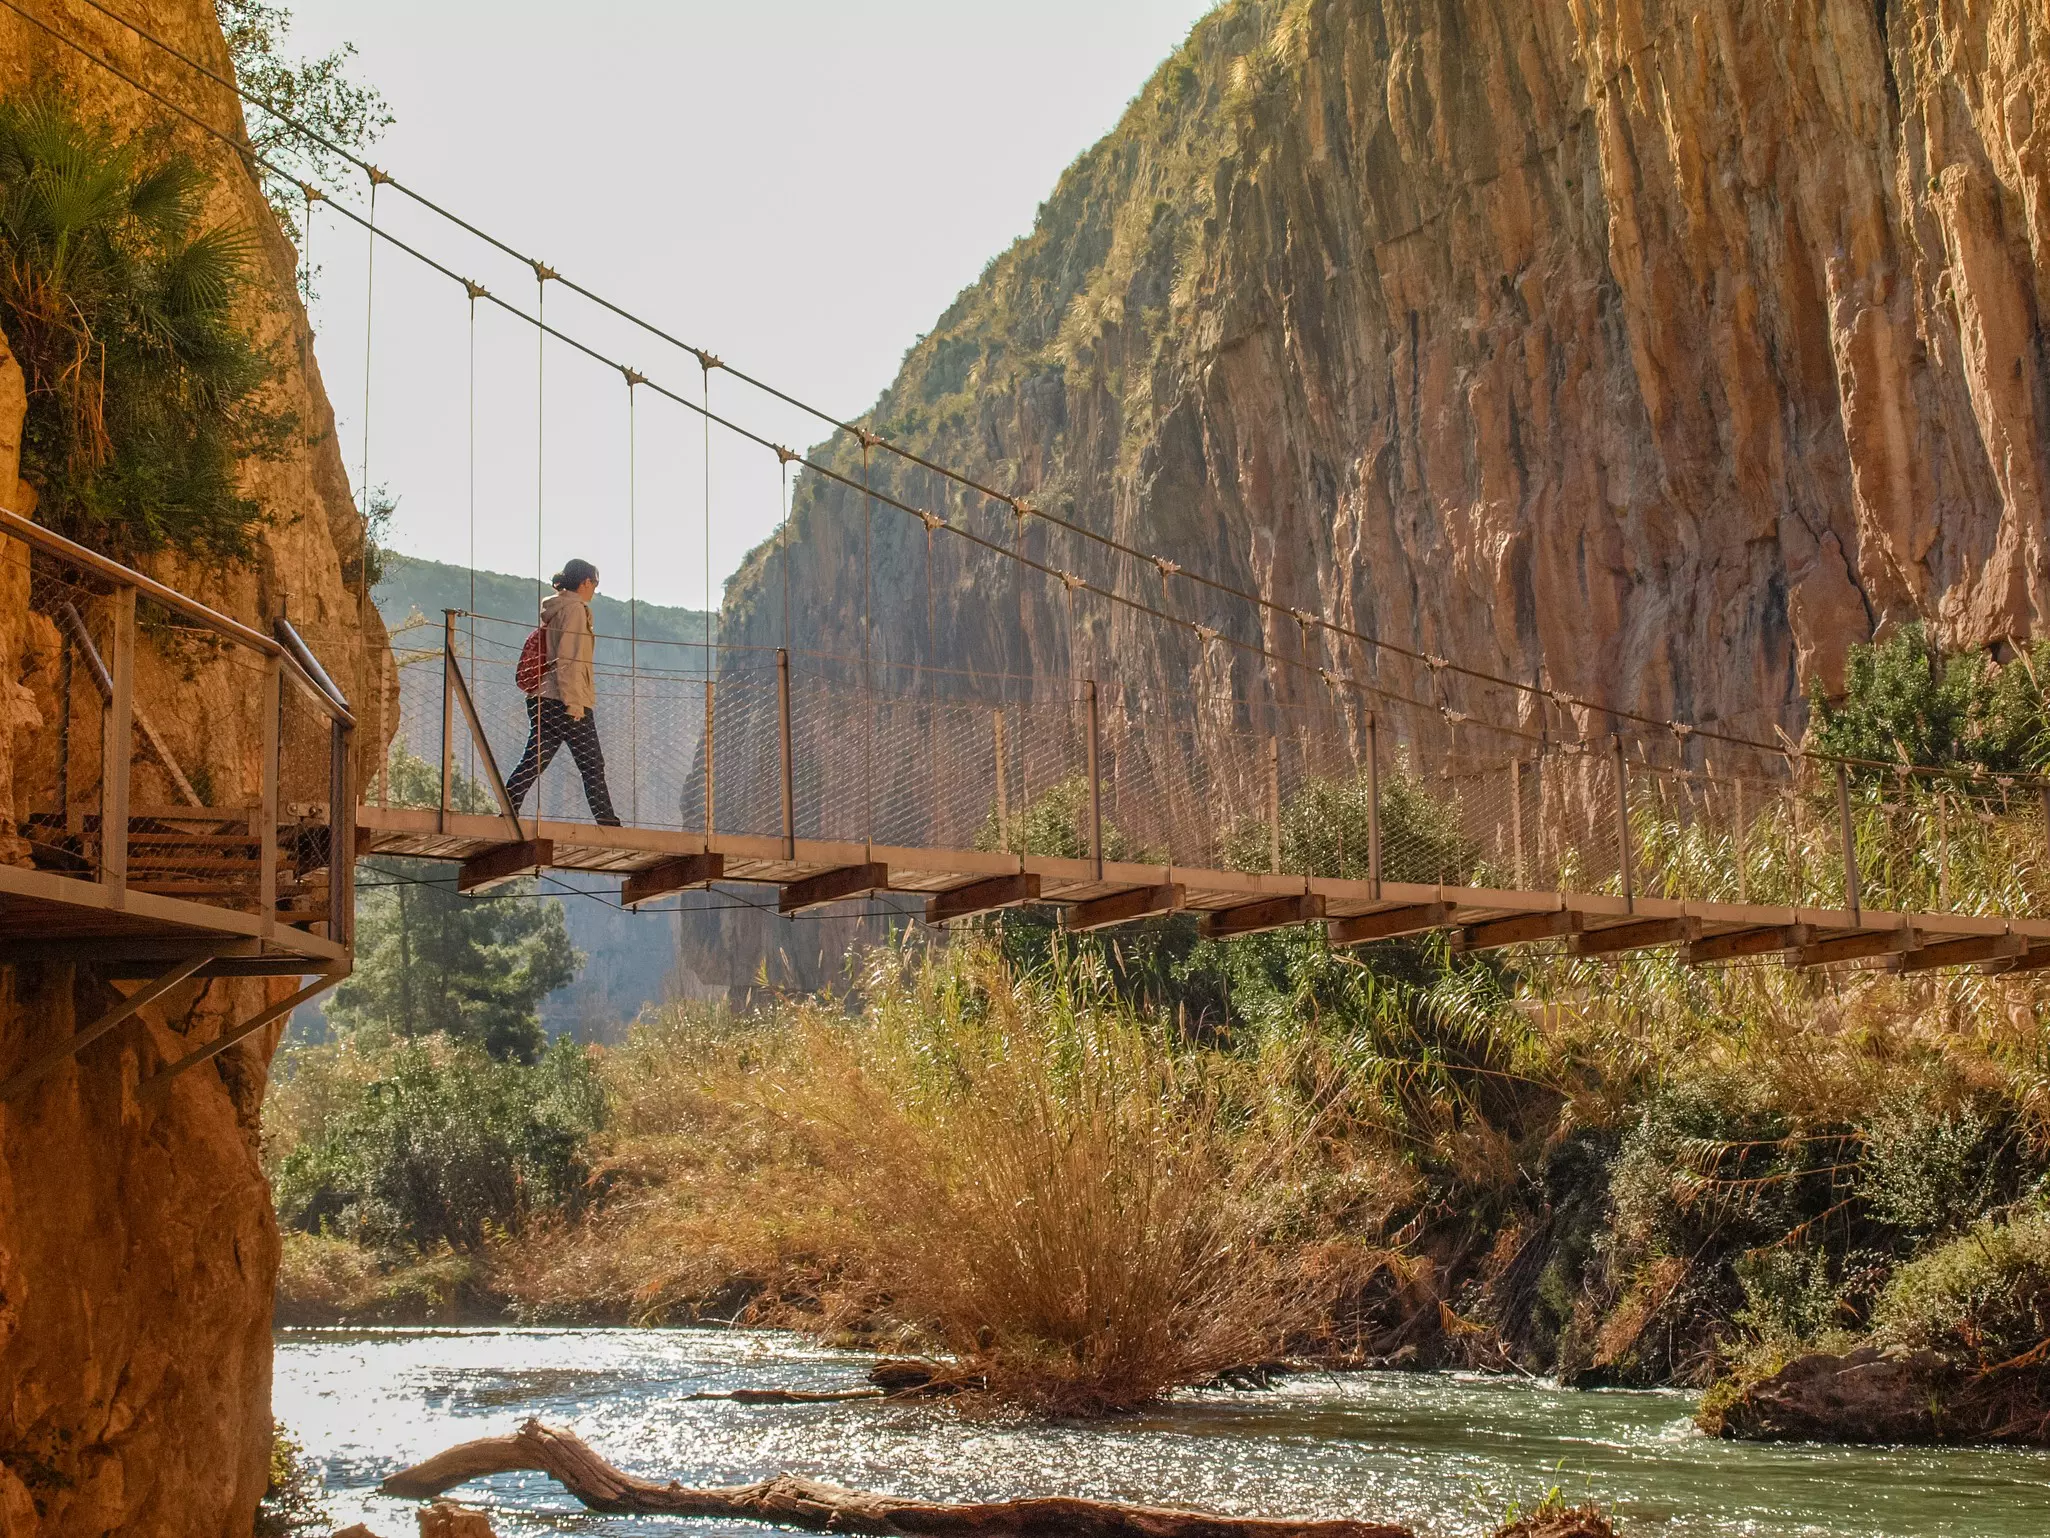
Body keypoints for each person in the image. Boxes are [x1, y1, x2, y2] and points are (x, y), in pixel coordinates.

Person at [506, 558, 621, 826]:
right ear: (585, 582)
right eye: (594, 583)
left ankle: (508, 805)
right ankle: (608, 823)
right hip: (564, 700)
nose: (595, 590)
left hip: (542, 697)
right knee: (592, 764)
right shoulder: (575, 611)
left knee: (536, 758)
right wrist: (575, 704)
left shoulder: (556, 609)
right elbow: (568, 659)